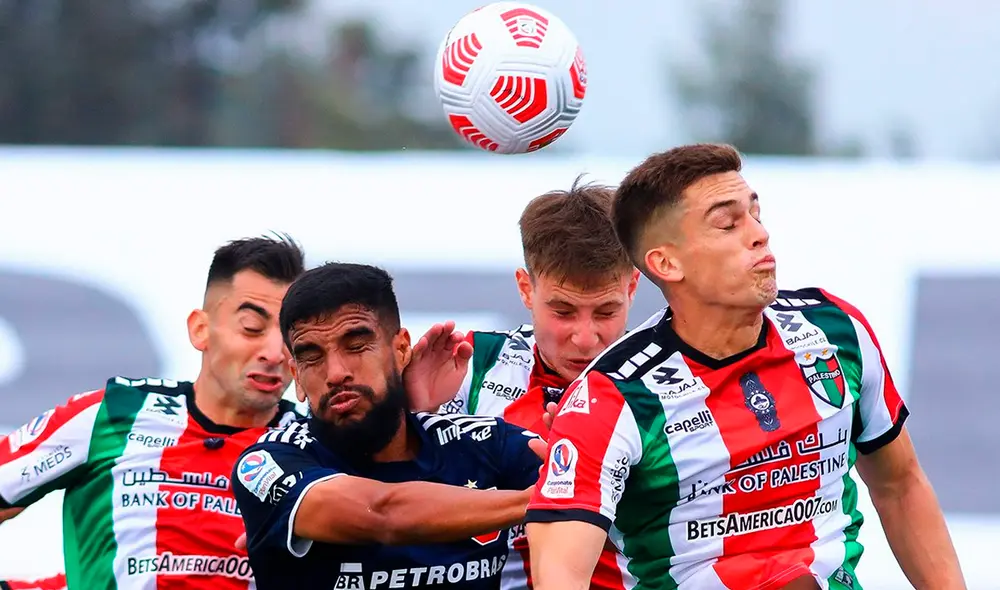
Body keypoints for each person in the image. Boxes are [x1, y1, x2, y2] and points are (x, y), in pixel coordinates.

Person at [524, 144, 967, 590]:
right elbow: (560, 575)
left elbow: (900, 485)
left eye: (756, 214)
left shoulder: (835, 331)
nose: (759, 234)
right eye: (727, 223)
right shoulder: (613, 396)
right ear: (666, 262)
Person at [0, 235, 307, 589]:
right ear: (201, 329)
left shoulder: (312, 449)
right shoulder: (113, 414)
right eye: (252, 328)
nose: (274, 352)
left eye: (290, 334)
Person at [231, 262, 547, 590]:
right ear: (296, 377)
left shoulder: (485, 441)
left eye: (356, 346)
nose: (336, 372)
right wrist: (537, 500)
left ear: (400, 349)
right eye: (312, 357)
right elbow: (383, 513)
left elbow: (593, 501)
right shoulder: (268, 461)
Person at [406, 179, 640, 589]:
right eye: (563, 311)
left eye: (605, 311)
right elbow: (385, 507)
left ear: (632, 288)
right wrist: (411, 417)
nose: (585, 338)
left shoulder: (664, 381)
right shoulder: (466, 365)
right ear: (525, 288)